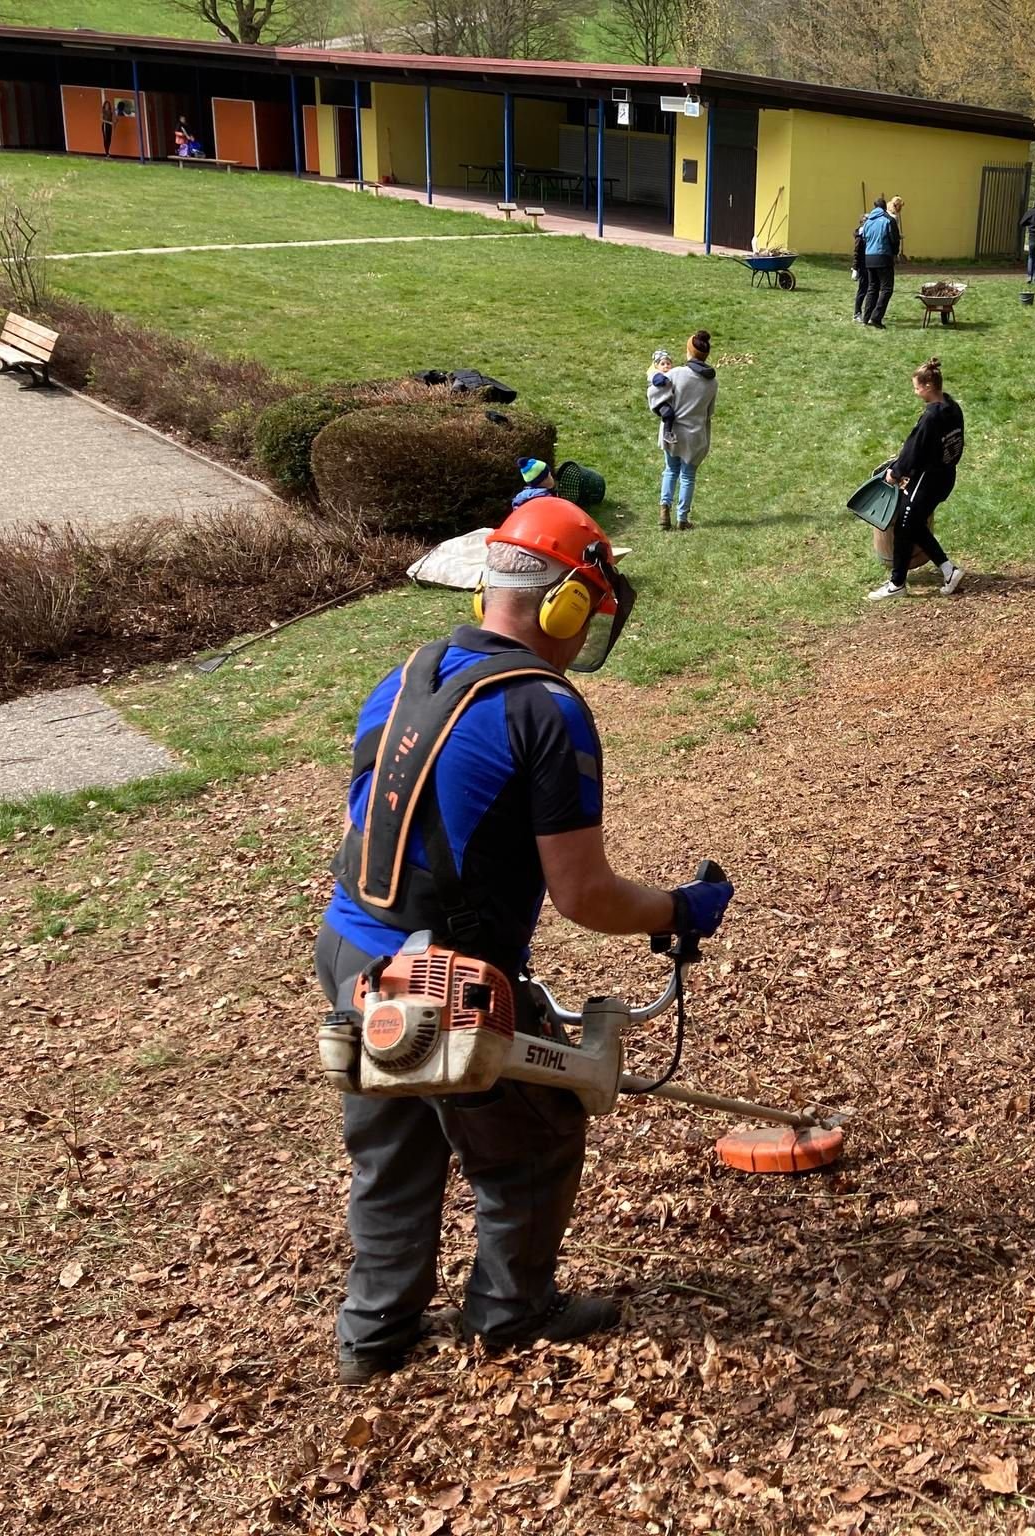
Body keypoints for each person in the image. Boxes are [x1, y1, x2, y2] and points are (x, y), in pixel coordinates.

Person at [315, 495, 734, 1384]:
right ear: (565, 606)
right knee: (534, 1141)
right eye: (588, 615)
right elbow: (584, 893)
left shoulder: (408, 675)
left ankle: (373, 1335)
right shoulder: (546, 709)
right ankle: (510, 1309)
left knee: (393, 1143)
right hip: (441, 975)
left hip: (352, 945)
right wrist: (679, 909)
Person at [868, 357, 965, 601]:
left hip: (928, 481)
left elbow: (915, 449)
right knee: (914, 523)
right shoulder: (953, 408)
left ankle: (897, 584)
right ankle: (948, 570)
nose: (915, 391)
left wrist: (895, 472)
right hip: (946, 476)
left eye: (917, 387)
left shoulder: (931, 418)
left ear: (928, 386)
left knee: (904, 525)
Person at [659, 331, 716, 531]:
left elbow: (659, 396)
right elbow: (710, 412)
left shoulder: (675, 374)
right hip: (695, 436)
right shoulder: (712, 382)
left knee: (670, 470)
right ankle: (682, 519)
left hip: (672, 433)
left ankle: (664, 511)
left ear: (690, 352)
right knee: (687, 476)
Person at [860, 196, 903, 329]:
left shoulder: (868, 222)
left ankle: (865, 318)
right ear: (885, 207)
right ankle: (876, 317)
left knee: (872, 288)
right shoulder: (888, 220)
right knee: (887, 289)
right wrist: (894, 254)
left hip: (869, 258)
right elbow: (895, 240)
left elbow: (864, 238)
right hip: (883, 257)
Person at [853, 197, 883, 322]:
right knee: (863, 290)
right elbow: (856, 253)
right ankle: (857, 313)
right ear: (862, 223)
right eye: (866, 220)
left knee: (873, 289)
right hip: (863, 266)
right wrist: (855, 268)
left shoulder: (870, 233)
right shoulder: (860, 236)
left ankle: (870, 313)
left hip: (871, 264)